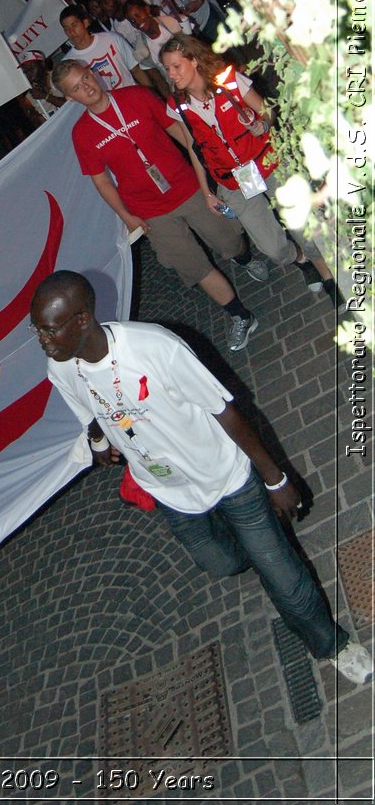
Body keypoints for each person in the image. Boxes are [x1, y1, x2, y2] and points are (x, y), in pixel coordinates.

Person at [29, 270, 372, 686]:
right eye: (38, 330)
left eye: (48, 330)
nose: (42, 341)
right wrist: (99, 439)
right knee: (222, 563)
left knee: (280, 572)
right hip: (169, 491)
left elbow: (224, 410)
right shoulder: (62, 365)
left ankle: (332, 645)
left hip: (226, 475)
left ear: (82, 319)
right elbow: (88, 410)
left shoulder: (156, 348)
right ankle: (259, 546)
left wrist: (275, 478)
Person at [51, 60, 265, 351]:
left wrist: (206, 173)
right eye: (77, 87)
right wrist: (126, 216)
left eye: (86, 77)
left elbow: (183, 134)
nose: (87, 86)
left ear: (93, 73)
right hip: (149, 208)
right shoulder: (82, 134)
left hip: (187, 187)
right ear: (70, 98)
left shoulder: (136, 96)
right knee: (193, 265)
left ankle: (244, 257)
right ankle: (241, 315)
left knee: (228, 240)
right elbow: (102, 182)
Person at [161, 34, 334, 296]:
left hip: (268, 161)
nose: (172, 74)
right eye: (167, 69)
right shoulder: (178, 106)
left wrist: (260, 125)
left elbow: (267, 112)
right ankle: (298, 258)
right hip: (233, 180)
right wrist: (208, 193)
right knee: (271, 248)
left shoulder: (229, 81)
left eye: (176, 66)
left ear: (194, 60)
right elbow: (193, 148)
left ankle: (327, 274)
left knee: (301, 223)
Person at [57, 5, 158, 95]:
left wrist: (152, 95)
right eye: (66, 28)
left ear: (85, 23)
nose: (71, 32)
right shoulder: (69, 63)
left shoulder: (111, 38)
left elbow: (136, 70)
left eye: (74, 25)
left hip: (134, 97)